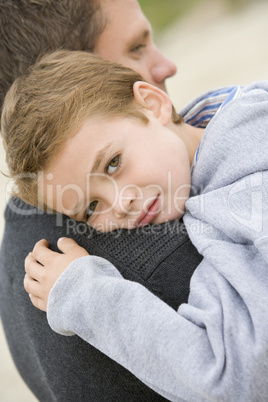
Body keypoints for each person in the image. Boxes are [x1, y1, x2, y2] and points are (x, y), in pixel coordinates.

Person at [3, 49, 268, 401]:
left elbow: (231, 378)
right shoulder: (240, 117)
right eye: (92, 207)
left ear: (153, 104)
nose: (121, 203)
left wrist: (85, 296)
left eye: (112, 163)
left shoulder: (242, 198)